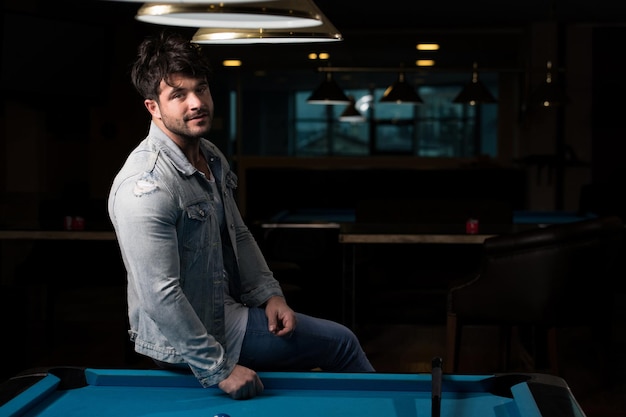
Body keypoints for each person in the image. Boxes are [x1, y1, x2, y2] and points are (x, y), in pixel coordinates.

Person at [107, 30, 374, 401]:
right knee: (341, 343)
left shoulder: (210, 155)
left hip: (224, 310)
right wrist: (219, 369)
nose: (196, 103)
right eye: (179, 95)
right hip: (191, 336)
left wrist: (270, 296)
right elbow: (159, 295)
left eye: (201, 89)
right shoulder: (145, 186)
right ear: (153, 107)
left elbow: (238, 233)